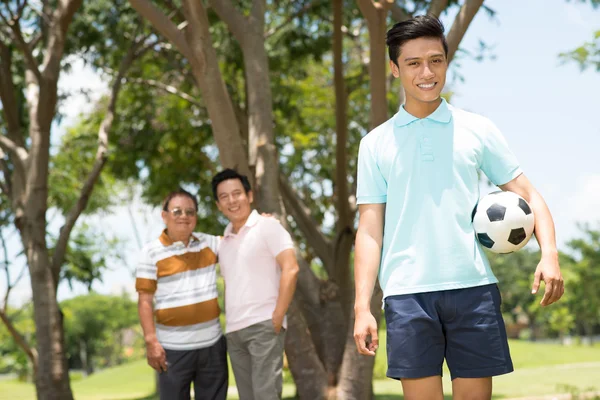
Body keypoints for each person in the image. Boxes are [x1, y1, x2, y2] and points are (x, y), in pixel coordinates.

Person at [352, 15, 564, 400]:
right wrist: (361, 306)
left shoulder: (477, 129)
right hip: (406, 294)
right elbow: (369, 230)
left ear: (447, 62)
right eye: (413, 63)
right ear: (395, 68)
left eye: (435, 60)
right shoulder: (375, 144)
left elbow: (530, 195)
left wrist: (548, 253)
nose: (426, 72)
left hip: (474, 289)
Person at [211, 168, 299, 400]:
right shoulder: (225, 241)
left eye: (237, 193)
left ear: (249, 196)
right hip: (234, 331)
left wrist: (278, 315)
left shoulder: (268, 226)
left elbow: (291, 268)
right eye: (224, 196)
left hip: (264, 326)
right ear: (218, 205)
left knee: (265, 396)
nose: (232, 200)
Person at [136, 189, 227, 400]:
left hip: (212, 347)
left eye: (190, 212)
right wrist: (151, 341)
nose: (184, 216)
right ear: (164, 215)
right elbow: (145, 301)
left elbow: (241, 239)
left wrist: (260, 221)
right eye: (177, 211)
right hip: (172, 351)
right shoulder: (150, 252)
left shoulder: (210, 244)